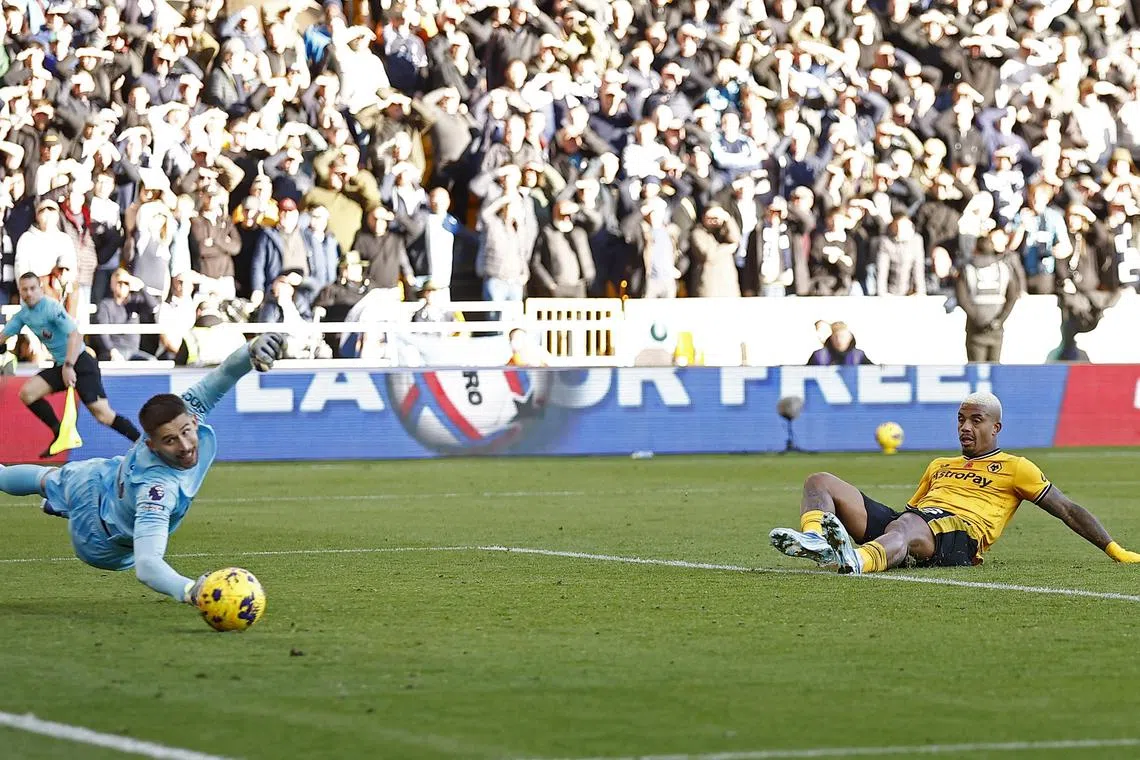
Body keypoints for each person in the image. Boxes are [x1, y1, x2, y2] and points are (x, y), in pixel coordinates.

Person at [0, 334, 286, 605]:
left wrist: (252, 350)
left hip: (108, 479)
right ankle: (57, 500)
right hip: (98, 539)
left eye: (186, 432)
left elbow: (223, 376)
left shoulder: (184, 410)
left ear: (193, 422)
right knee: (49, 478)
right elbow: (148, 565)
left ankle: (59, 501)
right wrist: (192, 590)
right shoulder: (156, 490)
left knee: (58, 479)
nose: (185, 446)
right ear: (151, 445)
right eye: (170, 441)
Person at [770, 392, 1140, 574]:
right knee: (820, 480)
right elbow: (912, 512)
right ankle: (817, 542)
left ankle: (859, 562)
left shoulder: (1016, 467)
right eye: (961, 419)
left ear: (995, 427)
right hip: (920, 525)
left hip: (962, 539)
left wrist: (1114, 549)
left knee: (909, 524)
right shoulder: (940, 464)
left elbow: (1068, 510)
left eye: (976, 420)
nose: (965, 427)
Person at [0, 273, 141, 458]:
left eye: (32, 288)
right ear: (20, 291)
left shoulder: (50, 307)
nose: (28, 293)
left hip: (80, 361)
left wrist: (68, 366)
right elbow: (3, 337)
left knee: (103, 415)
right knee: (28, 393)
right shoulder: (24, 314)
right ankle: (59, 432)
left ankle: (143, 442)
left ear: (40, 288)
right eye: (24, 289)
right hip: (62, 365)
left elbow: (76, 334)